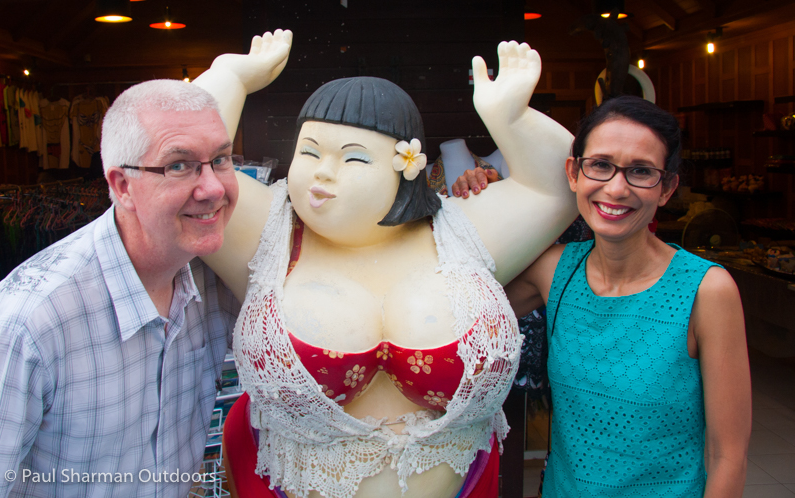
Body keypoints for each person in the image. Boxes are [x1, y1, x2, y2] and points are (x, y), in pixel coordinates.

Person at [190, 41, 579, 498]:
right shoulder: (266, 229)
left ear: (406, 167)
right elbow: (183, 170)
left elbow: (560, 185)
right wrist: (231, 78)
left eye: (354, 157)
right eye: (309, 152)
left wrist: (511, 118)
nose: (323, 174)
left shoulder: (460, 232)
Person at [0, 30, 292, 497]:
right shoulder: (30, 322)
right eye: (178, 165)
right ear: (123, 186)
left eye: (220, 159)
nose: (213, 188)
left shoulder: (213, 272)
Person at [454, 95, 752, 497]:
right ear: (573, 173)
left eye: (641, 171)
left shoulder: (706, 290)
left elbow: (727, 456)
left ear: (667, 189)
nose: (616, 188)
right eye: (600, 165)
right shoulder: (556, 270)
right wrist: (482, 205)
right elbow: (455, 307)